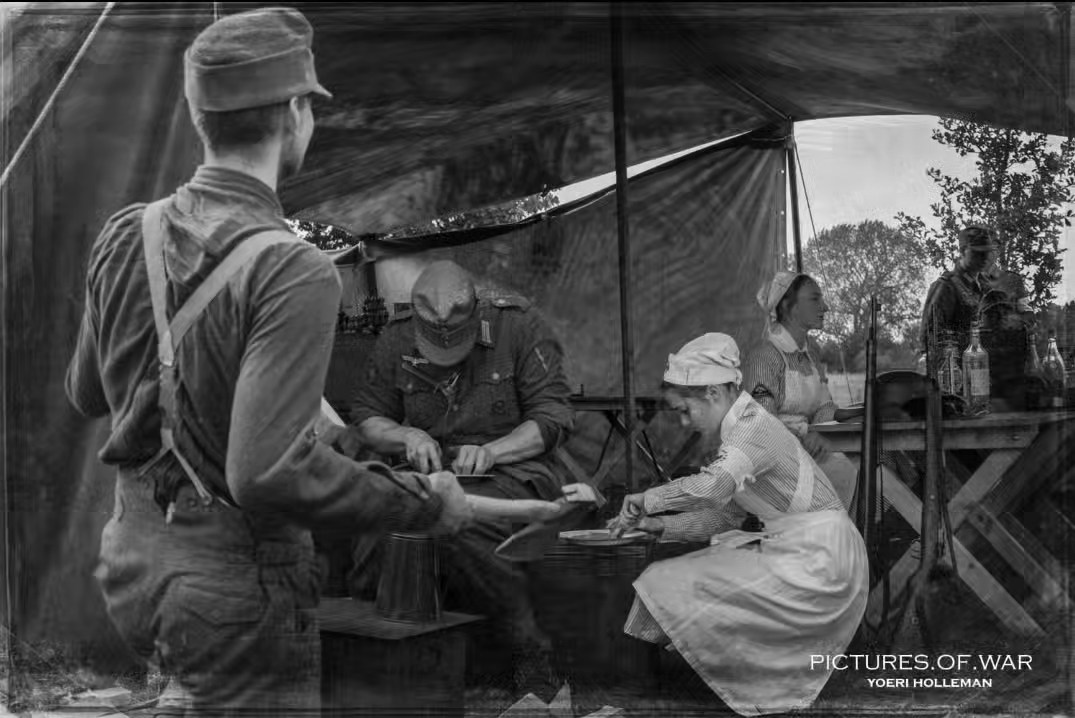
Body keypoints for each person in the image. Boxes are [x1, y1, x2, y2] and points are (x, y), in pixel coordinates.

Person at [64, 9, 471, 716]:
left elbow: (87, 392)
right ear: (294, 112)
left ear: (199, 115)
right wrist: (426, 504)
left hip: (135, 565)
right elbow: (265, 474)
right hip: (233, 589)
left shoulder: (127, 230)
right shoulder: (293, 269)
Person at [609, 333, 868, 717]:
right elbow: (726, 516)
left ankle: (648, 698)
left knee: (670, 580)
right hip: (800, 548)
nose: (683, 422)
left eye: (684, 410)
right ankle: (661, 694)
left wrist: (651, 497)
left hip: (822, 558)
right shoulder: (740, 430)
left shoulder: (752, 429)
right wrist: (658, 526)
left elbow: (714, 487)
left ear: (713, 393)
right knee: (674, 575)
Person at [348, 259, 576, 695]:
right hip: (425, 475)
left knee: (461, 525)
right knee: (375, 525)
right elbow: (367, 417)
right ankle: (391, 660)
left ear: (474, 312)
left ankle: (526, 648)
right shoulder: (396, 336)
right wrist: (406, 435)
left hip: (512, 471)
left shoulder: (519, 326)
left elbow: (554, 416)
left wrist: (493, 451)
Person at [742, 271, 862, 509]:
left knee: (877, 458)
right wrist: (804, 436)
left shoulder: (810, 355)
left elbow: (823, 410)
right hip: (771, 461)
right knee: (854, 471)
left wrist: (859, 414)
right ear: (789, 306)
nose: (825, 307)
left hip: (806, 449)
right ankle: (840, 536)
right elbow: (762, 423)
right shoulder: (765, 356)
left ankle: (868, 535)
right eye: (815, 299)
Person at [920, 224, 1035, 410]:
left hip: (990, 384)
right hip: (959, 389)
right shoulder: (946, 287)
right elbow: (929, 339)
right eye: (978, 253)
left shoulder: (985, 287)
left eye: (987, 252)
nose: (984, 258)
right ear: (963, 251)